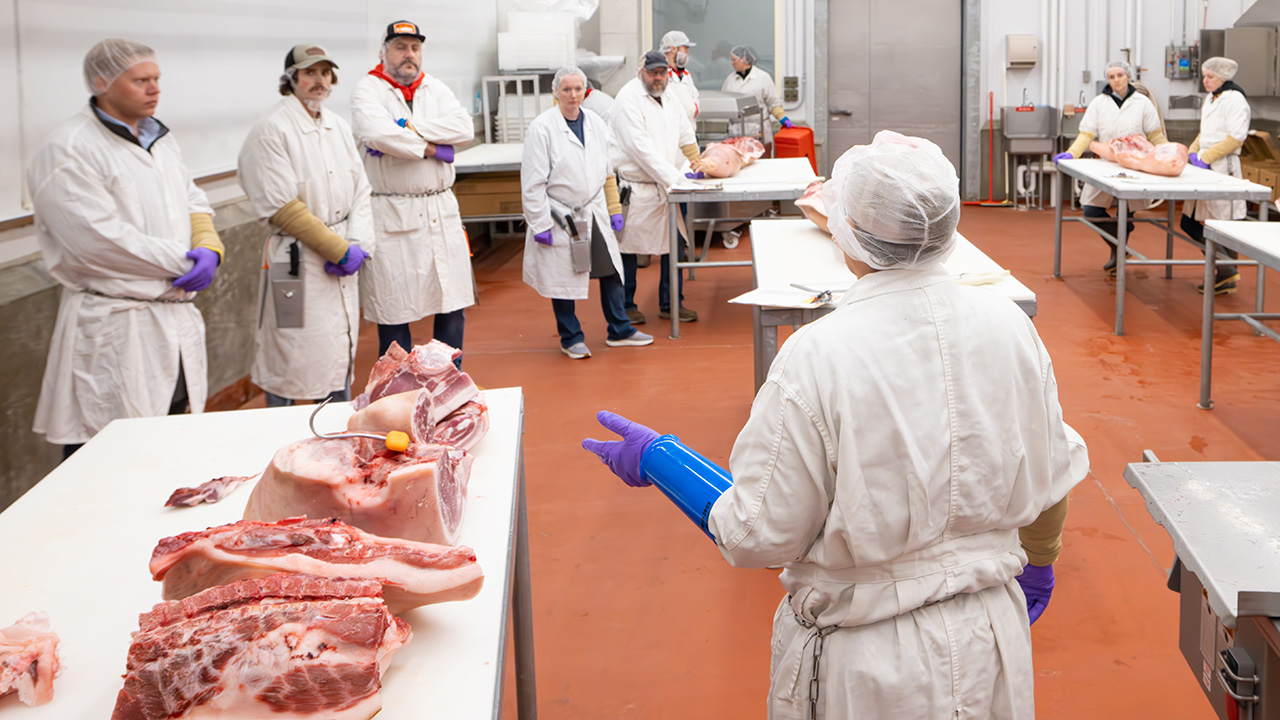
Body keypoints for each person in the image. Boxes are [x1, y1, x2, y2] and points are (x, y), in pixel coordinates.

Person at [583, 131, 1089, 719]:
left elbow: (760, 534)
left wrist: (662, 460)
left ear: (849, 232)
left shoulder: (818, 353)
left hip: (874, 659)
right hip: (993, 634)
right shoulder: (1010, 325)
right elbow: (1054, 468)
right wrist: (1041, 561)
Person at [27, 39, 224, 460]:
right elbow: (94, 240)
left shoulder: (160, 139)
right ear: (102, 82)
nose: (154, 89)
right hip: (115, 328)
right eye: (141, 80)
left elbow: (192, 200)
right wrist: (184, 260)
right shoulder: (68, 148)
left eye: (156, 79)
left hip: (172, 320)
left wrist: (209, 246)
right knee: (104, 455)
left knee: (167, 442)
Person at [237, 44, 374, 407]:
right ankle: (278, 431)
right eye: (310, 72)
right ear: (291, 79)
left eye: (326, 73)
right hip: (293, 261)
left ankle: (335, 430)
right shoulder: (272, 130)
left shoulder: (337, 126)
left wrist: (357, 242)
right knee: (289, 350)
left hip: (342, 251)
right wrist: (338, 248)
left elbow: (362, 189)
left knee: (337, 347)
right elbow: (282, 207)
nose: (319, 80)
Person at [352, 20, 475, 364]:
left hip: (439, 208)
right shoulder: (367, 90)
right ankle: (398, 391)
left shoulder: (434, 88)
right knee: (394, 310)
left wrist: (407, 128)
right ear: (384, 51)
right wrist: (436, 148)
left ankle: (449, 384)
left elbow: (463, 129)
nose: (409, 55)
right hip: (394, 211)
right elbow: (376, 134)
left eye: (415, 48)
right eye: (400, 47)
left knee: (450, 305)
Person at [521, 66, 654, 359]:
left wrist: (614, 208)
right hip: (559, 214)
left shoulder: (594, 122)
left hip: (593, 209)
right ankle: (570, 337)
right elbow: (532, 182)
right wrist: (539, 222)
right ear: (555, 92)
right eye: (566, 89)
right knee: (563, 278)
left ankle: (620, 329)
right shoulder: (542, 128)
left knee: (610, 270)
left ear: (585, 91)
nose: (572, 95)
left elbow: (607, 172)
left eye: (578, 89)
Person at [610, 50, 703, 325]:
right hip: (638, 188)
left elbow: (685, 131)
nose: (658, 77)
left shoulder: (669, 94)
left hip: (667, 186)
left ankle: (671, 302)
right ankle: (626, 305)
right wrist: (676, 179)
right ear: (642, 71)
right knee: (629, 249)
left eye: (662, 71)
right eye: (653, 72)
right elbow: (642, 151)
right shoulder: (627, 100)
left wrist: (696, 160)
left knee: (673, 247)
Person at [1054, 60, 1167, 274]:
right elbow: (1087, 134)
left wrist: (1168, 155)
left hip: (1135, 164)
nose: (1116, 80)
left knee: (1129, 209)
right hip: (1105, 162)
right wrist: (1072, 153)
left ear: (1128, 76)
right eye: (1112, 76)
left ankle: (1118, 254)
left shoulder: (1142, 102)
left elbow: (1155, 134)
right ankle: (1120, 246)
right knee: (1090, 209)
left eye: (1120, 75)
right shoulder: (1099, 103)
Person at [1182, 56, 1250, 295]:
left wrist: (1207, 157)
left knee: (1224, 225)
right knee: (1188, 221)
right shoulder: (1211, 99)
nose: (1205, 81)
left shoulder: (1235, 99)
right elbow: (1205, 132)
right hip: (1204, 168)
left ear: (1223, 78)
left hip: (1223, 168)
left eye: (1210, 77)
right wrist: (1191, 150)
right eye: (1205, 76)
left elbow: (1235, 138)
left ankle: (1226, 271)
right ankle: (1225, 268)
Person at [721, 45, 793, 146]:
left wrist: (783, 119)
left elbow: (773, 103)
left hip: (759, 130)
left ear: (744, 59)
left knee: (761, 159)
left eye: (734, 60)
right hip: (736, 131)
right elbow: (725, 102)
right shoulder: (730, 80)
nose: (731, 63)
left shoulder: (763, 78)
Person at [660, 30, 699, 126]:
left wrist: (693, 108)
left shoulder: (686, 74)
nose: (687, 53)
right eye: (685, 49)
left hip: (689, 130)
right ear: (673, 49)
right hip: (671, 131)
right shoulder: (660, 75)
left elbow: (694, 97)